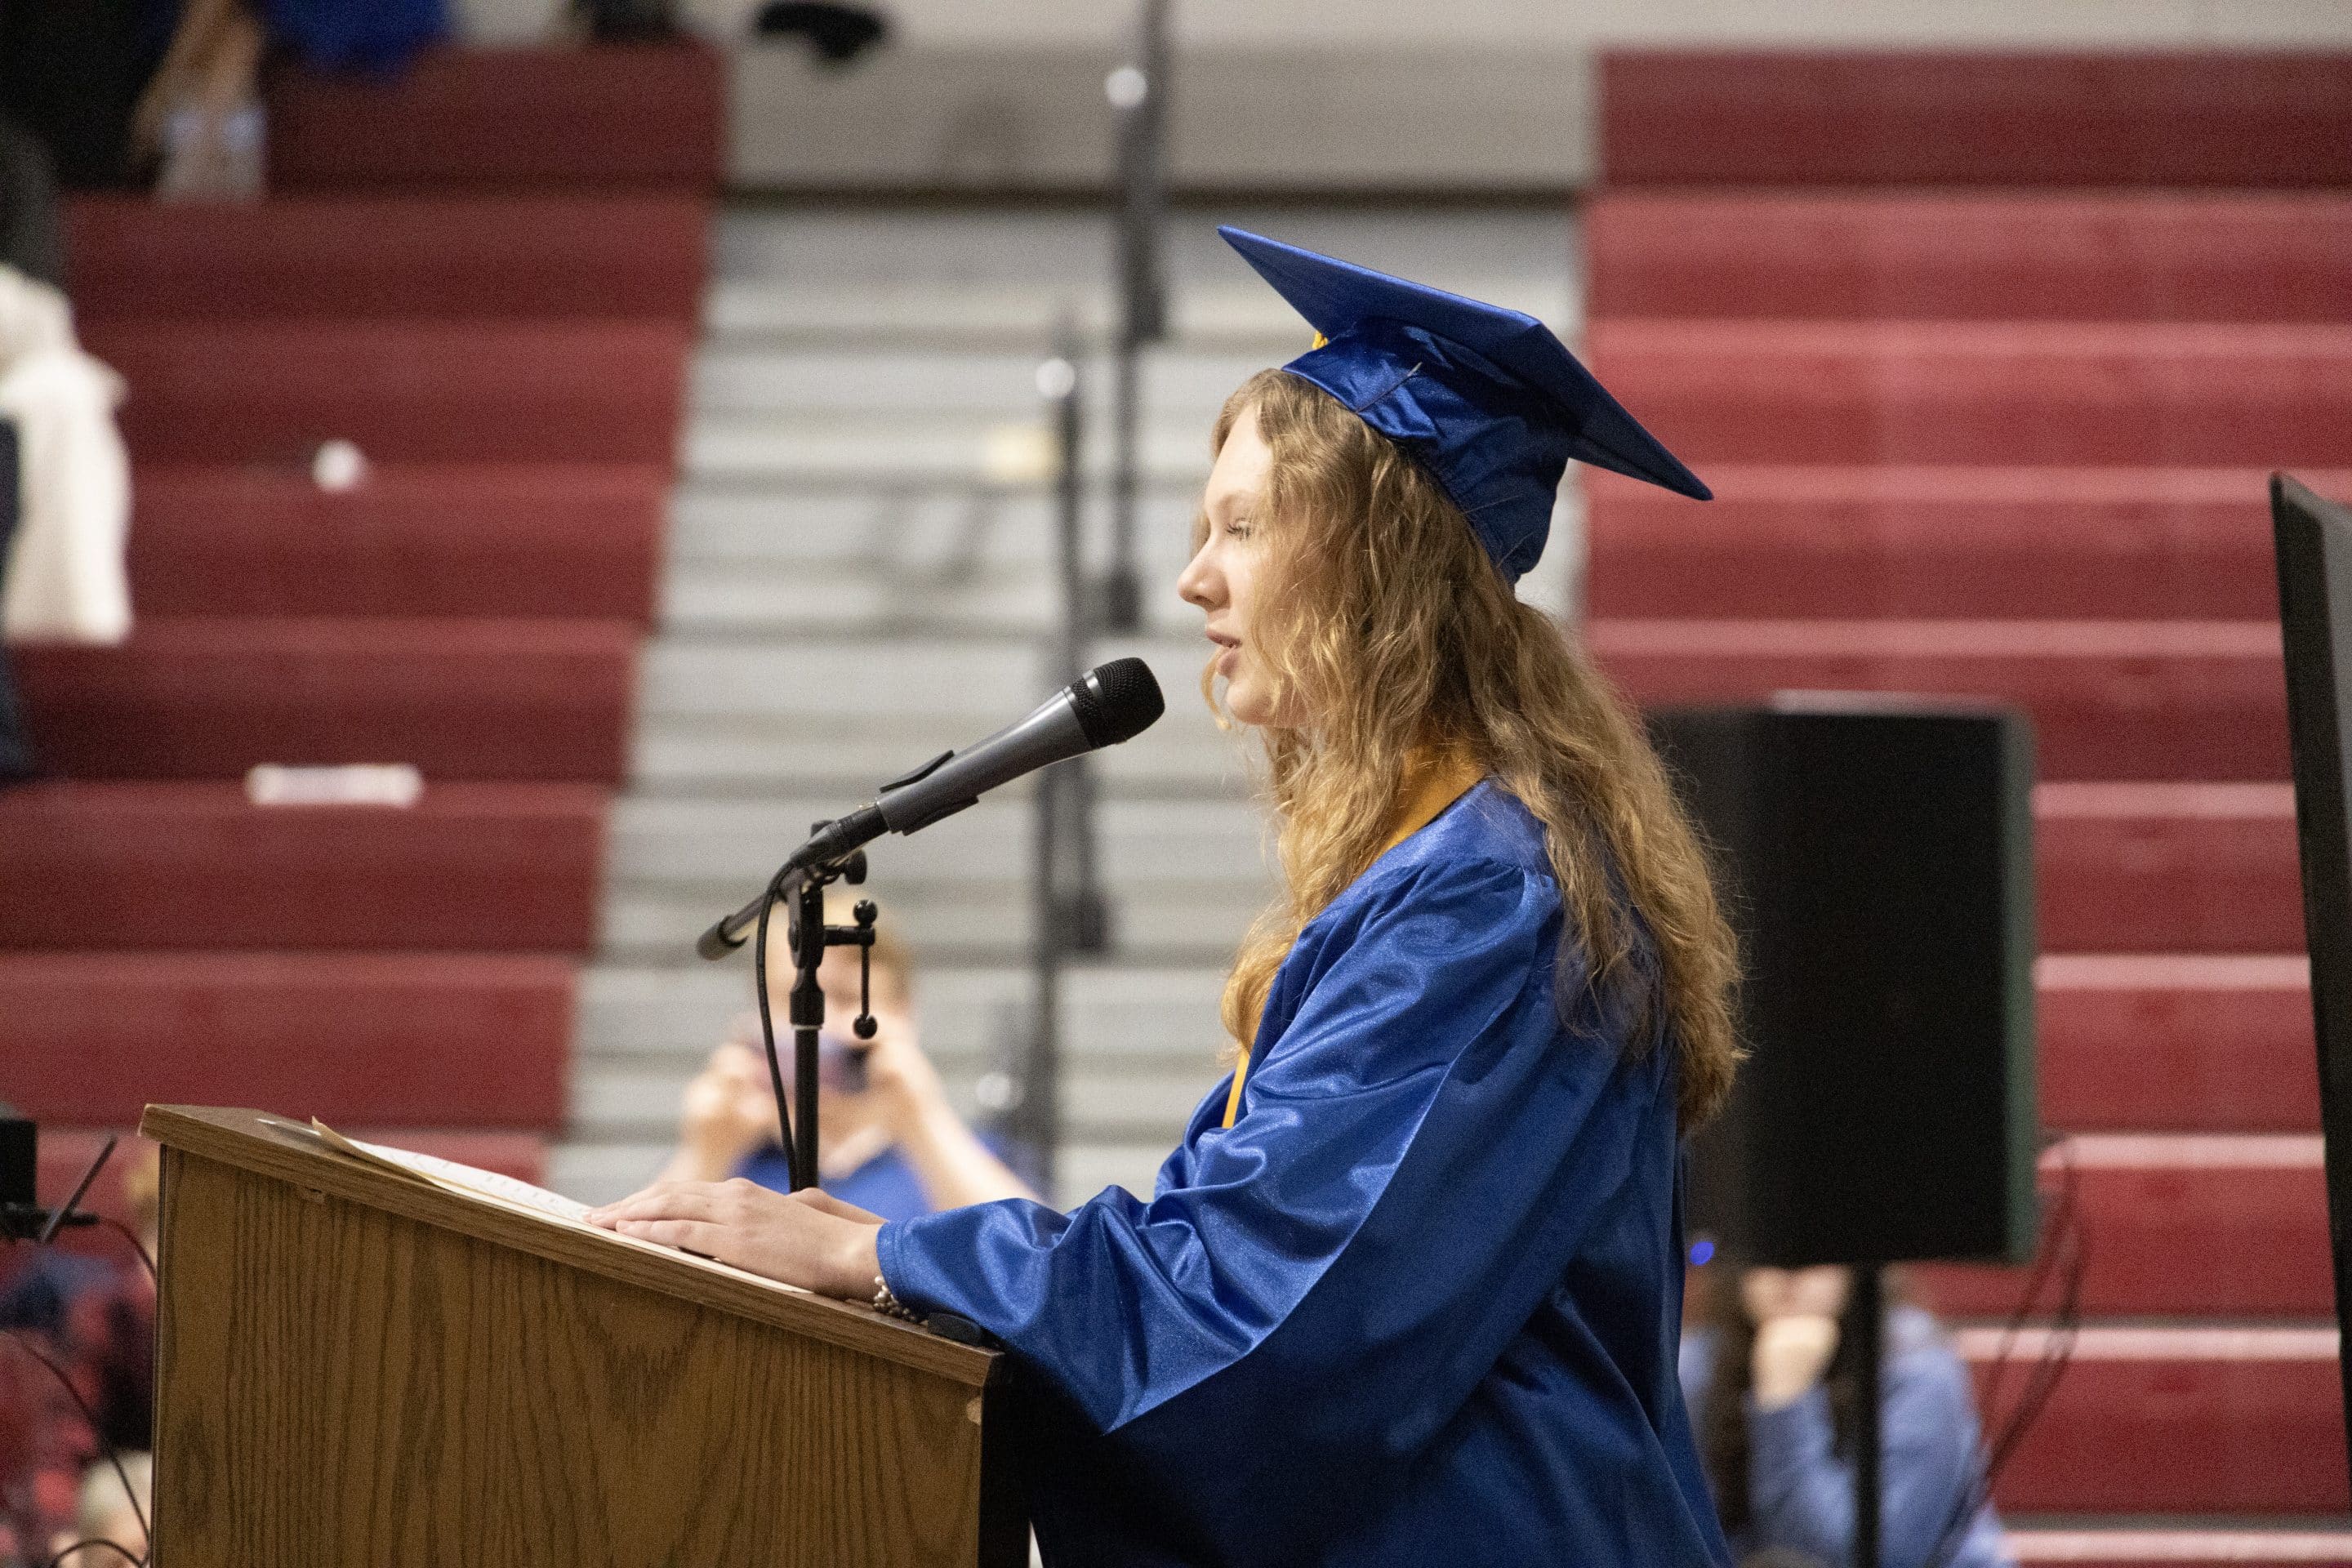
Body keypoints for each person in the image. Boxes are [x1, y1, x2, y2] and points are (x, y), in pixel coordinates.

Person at [590, 227, 1744, 1565]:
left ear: (1380, 562)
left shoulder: (1490, 901)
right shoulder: (1441, 869)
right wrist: (908, 1258)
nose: (1195, 579)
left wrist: (894, 1261)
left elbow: (1273, 1315)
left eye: (1243, 528)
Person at [656, 924, 1038, 1220]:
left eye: (847, 998)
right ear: (756, 1016)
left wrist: (924, 1123)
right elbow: (638, 1269)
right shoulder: (731, 1153)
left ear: (903, 1012)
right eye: (797, 1001)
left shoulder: (968, 1154)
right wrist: (706, 1153)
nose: (819, 1026)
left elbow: (1033, 1263)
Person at [1682, 1262, 2013, 1568]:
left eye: (1816, 1243)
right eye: (1770, 1244)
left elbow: (1869, 1557)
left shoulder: (1917, 1366)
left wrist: (1785, 1402)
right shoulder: (1695, 1367)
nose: (1789, 1268)